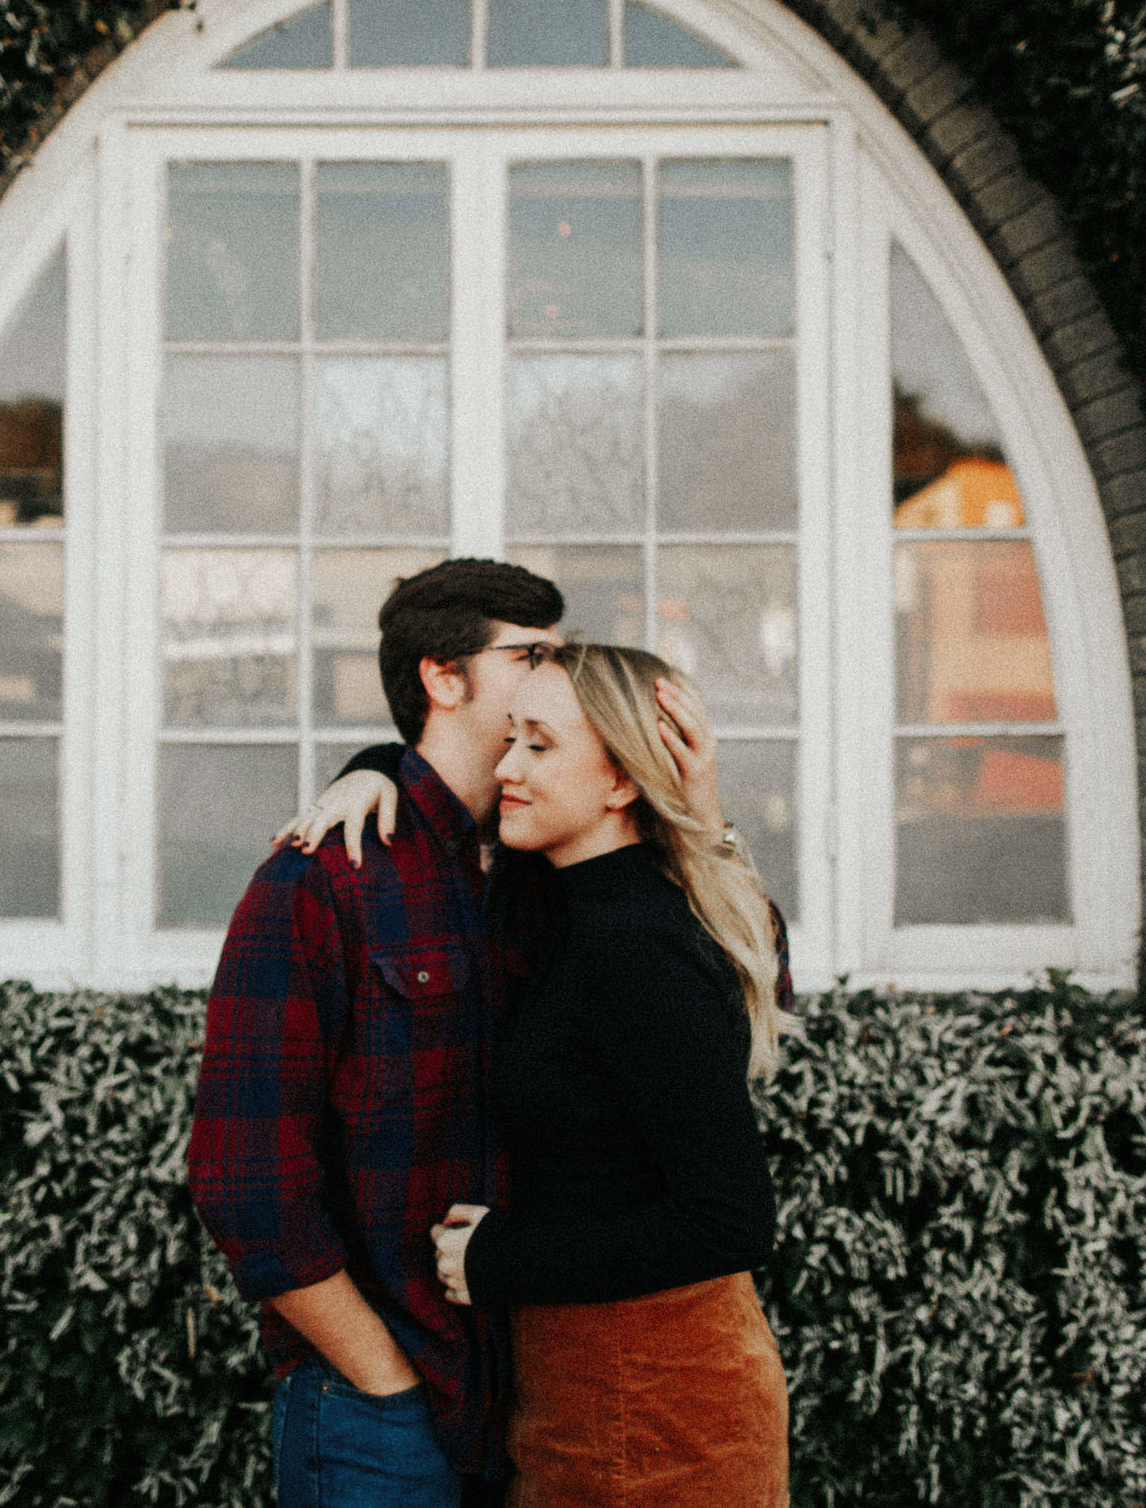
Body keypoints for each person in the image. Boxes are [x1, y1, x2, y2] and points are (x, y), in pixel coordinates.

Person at [187, 560, 729, 1508]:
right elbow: (246, 1184)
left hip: (535, 1396)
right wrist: (383, 1380)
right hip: (376, 1407)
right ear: (444, 679)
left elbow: (744, 981)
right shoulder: (322, 882)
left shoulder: (548, 876)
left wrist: (700, 809)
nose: (558, 675)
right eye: (533, 655)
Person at [427, 643, 792, 1508]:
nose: (506, 767)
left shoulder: (639, 943)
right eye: (510, 737)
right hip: (599, 1392)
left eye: (540, 746)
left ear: (622, 781)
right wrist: (369, 773)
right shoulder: (589, 905)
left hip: (656, 1412)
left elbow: (732, 1220)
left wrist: (501, 1258)